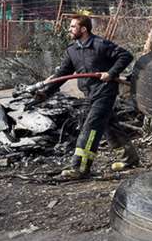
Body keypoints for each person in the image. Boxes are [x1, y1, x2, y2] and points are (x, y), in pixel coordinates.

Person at [39, 14, 139, 179]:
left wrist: (111, 73)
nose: (69, 29)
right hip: (89, 94)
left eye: (73, 26)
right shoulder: (72, 50)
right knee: (110, 125)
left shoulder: (100, 45)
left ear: (83, 29)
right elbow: (63, 74)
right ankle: (130, 158)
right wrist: (45, 93)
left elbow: (125, 56)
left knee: (90, 128)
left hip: (105, 91)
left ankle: (80, 168)